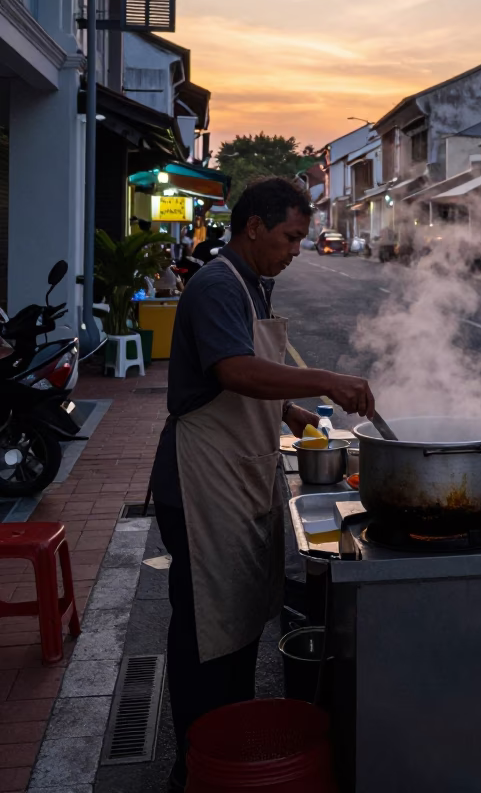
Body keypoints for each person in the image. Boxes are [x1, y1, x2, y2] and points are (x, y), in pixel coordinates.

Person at [149, 176, 374, 791]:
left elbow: (243, 378)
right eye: (290, 237)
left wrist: (293, 414)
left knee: (239, 623)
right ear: (254, 227)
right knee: (205, 632)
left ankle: (237, 747)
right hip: (201, 482)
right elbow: (234, 370)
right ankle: (197, 766)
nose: (296, 249)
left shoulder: (251, 282)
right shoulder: (219, 283)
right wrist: (324, 380)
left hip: (238, 473)